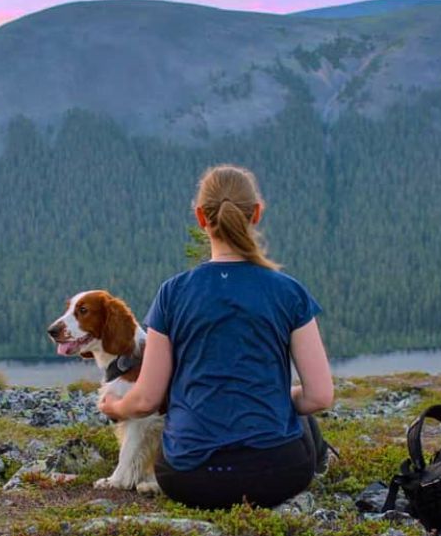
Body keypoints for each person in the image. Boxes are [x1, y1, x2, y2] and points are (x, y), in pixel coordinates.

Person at [98, 164, 334, 509]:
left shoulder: (172, 294)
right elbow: (319, 396)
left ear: (200, 217)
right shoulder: (289, 292)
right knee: (303, 417)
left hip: (189, 479)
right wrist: (269, 396)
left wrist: (115, 407)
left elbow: (147, 399)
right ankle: (322, 465)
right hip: (277, 476)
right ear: (256, 214)